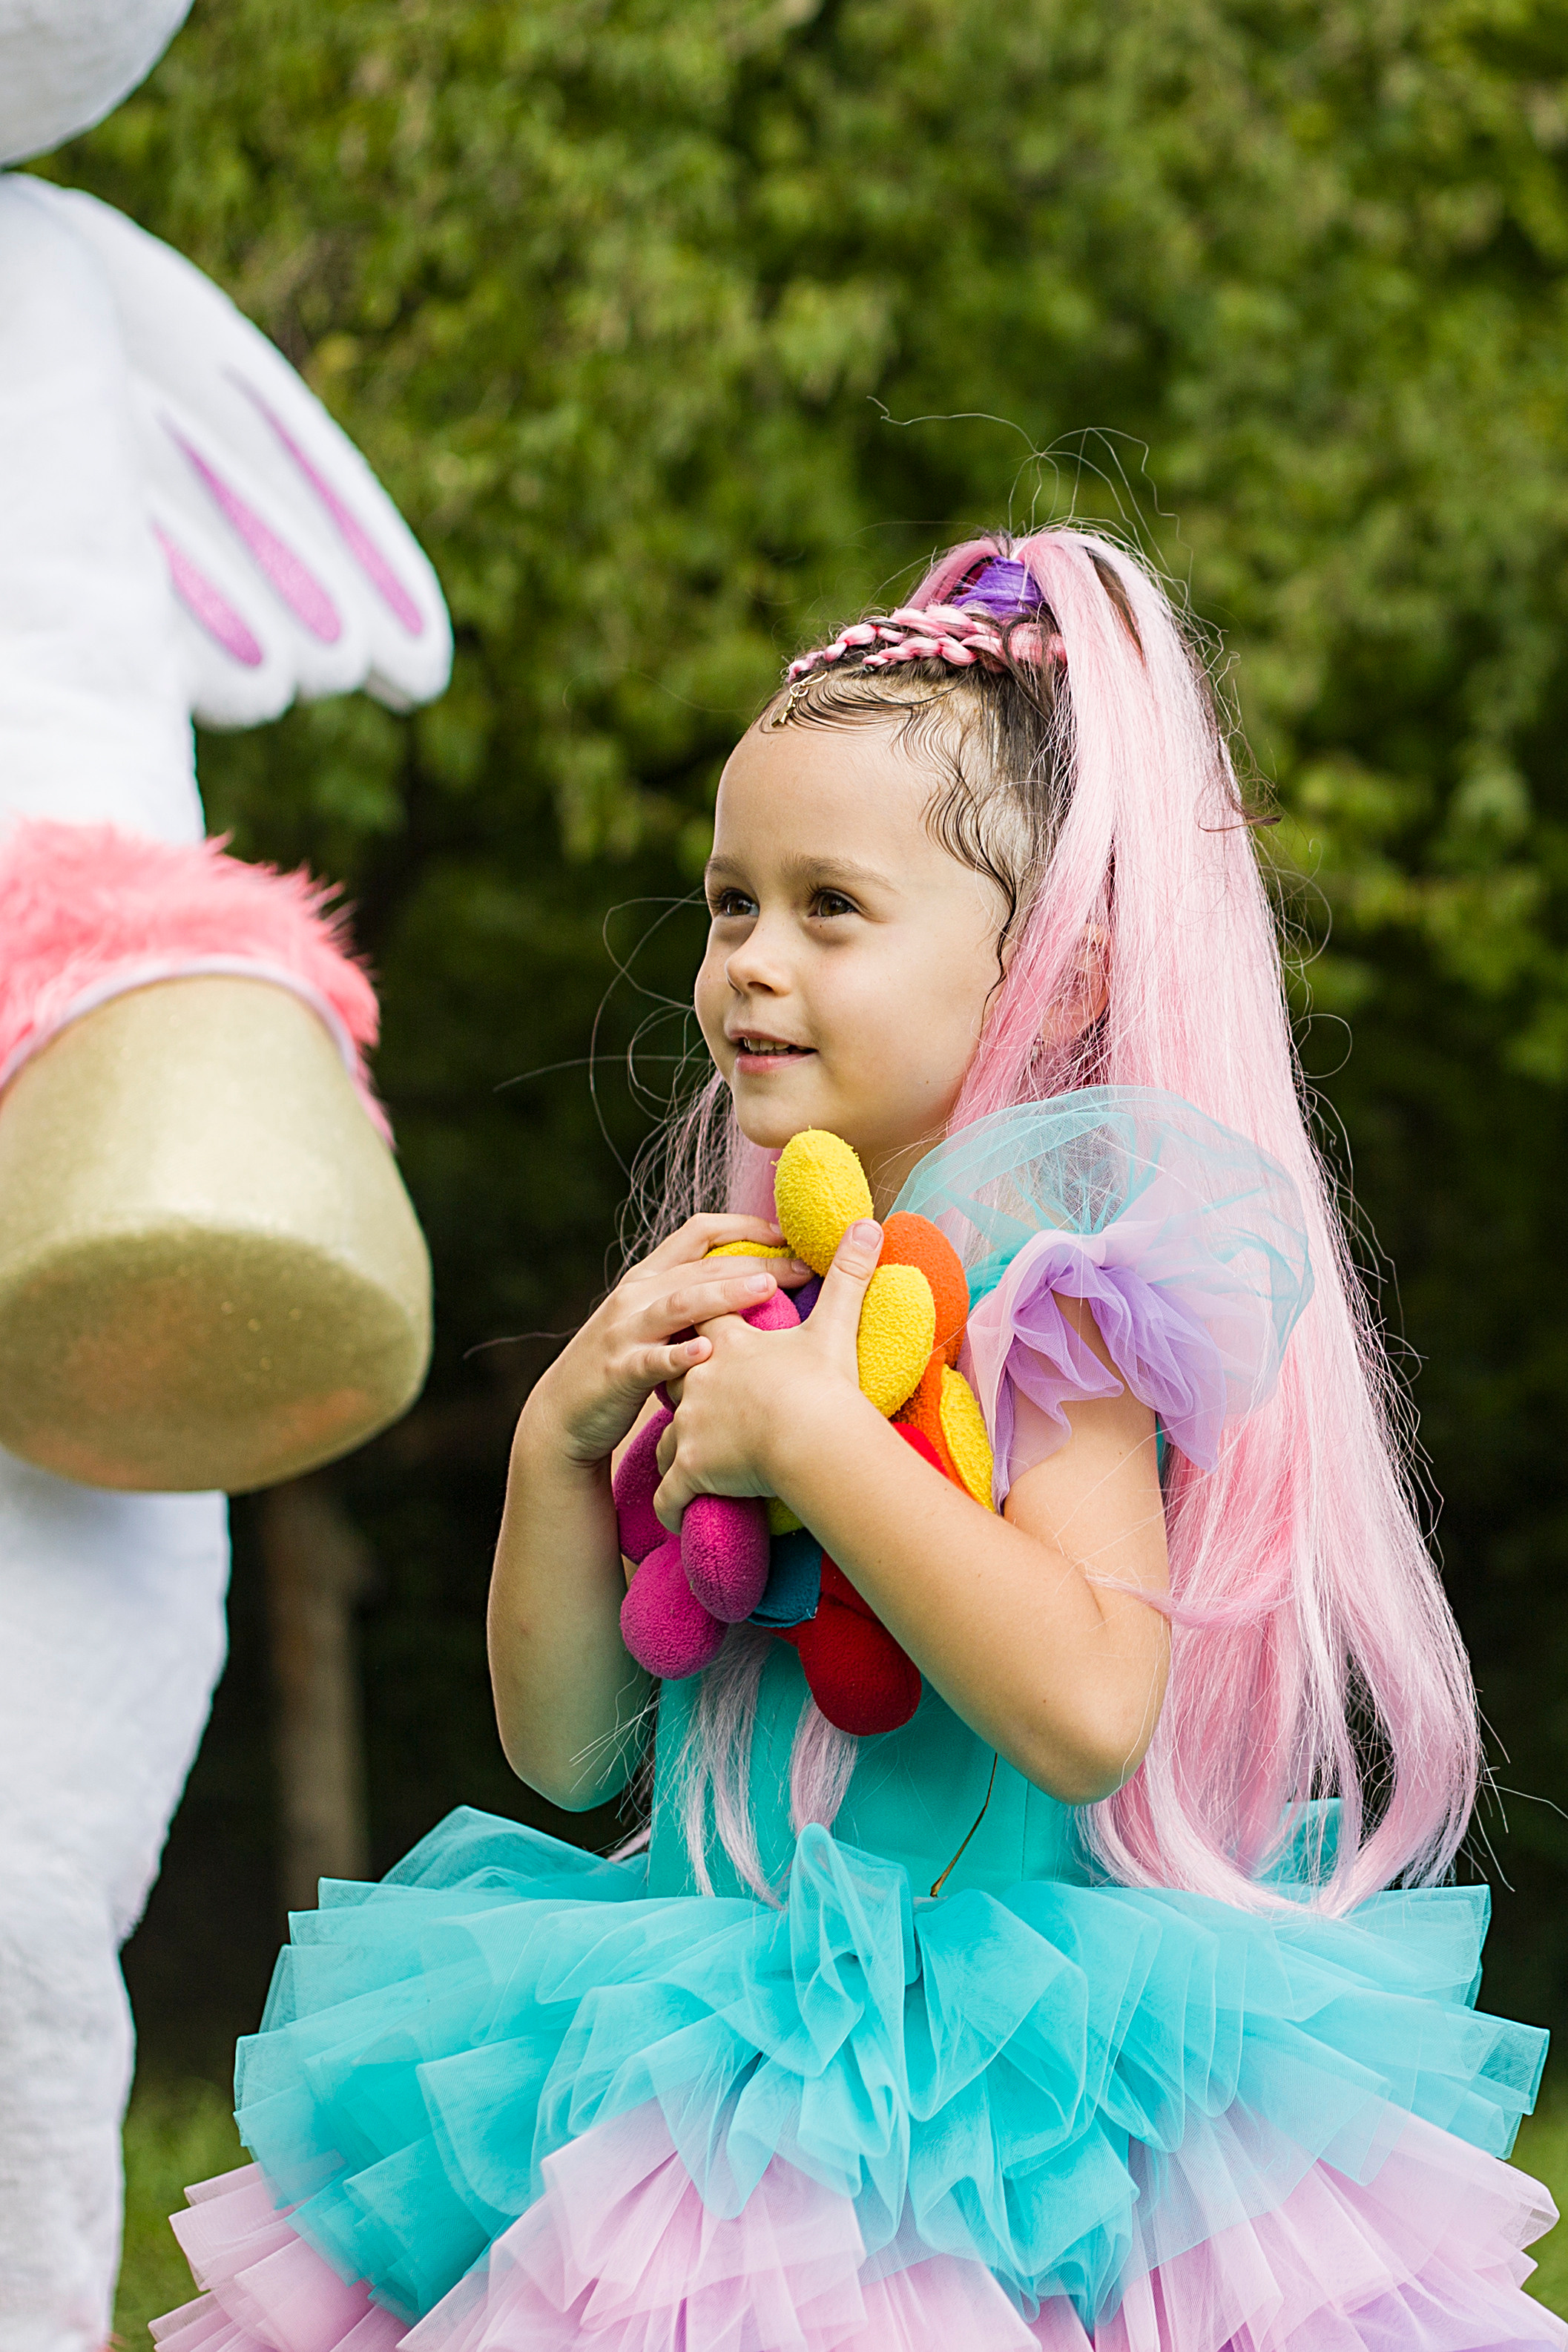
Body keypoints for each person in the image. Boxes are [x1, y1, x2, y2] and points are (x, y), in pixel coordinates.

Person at [154, 530, 1562, 2352]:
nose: (750, 961)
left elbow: (1082, 1705)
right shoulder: (754, 1298)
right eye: (732, 902)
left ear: (1055, 971)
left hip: (979, 2083)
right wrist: (551, 1457)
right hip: (698, 2038)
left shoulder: (1054, 1300)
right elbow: (575, 1749)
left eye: (832, 907)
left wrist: (828, 1452)